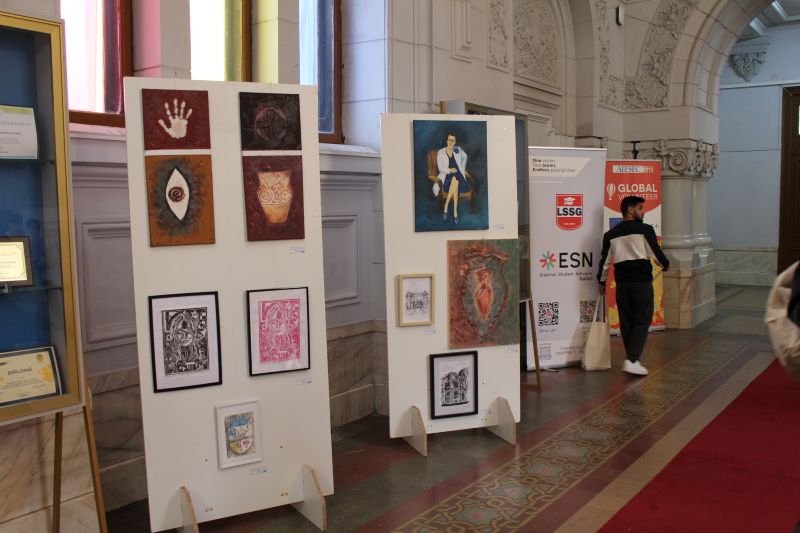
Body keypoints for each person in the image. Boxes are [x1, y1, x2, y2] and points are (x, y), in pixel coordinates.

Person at [597, 195, 669, 376]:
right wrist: (665, 264)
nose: (643, 212)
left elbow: (605, 262)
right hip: (641, 283)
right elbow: (656, 253)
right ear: (630, 210)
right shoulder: (645, 230)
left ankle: (631, 359)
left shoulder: (610, 235)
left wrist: (602, 281)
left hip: (622, 285)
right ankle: (632, 360)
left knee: (627, 321)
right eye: (640, 208)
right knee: (643, 319)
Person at [437, 133, 469, 224]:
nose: (450, 142)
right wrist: (450, 170)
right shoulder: (441, 152)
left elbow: (465, 157)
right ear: (447, 141)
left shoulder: (458, 150)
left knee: (455, 180)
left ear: (455, 142)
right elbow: (440, 167)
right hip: (447, 176)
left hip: (458, 176)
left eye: (452, 140)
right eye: (449, 140)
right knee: (455, 181)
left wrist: (462, 169)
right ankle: (455, 211)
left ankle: (446, 206)